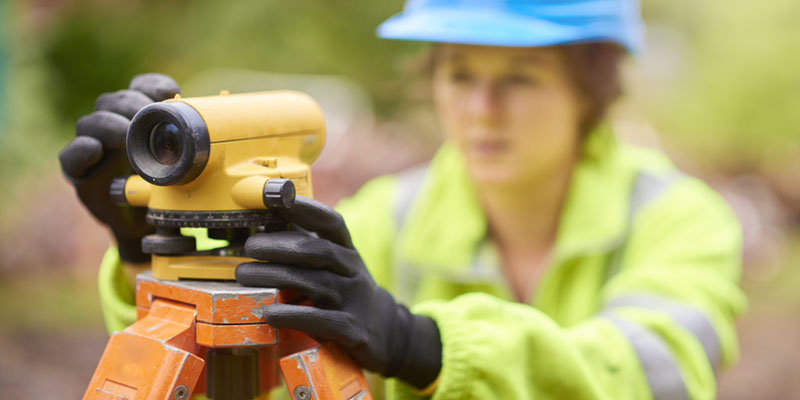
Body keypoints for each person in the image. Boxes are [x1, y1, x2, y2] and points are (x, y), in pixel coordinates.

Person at [59, 0, 746, 398]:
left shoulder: (678, 221)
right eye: (460, 73)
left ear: (589, 92)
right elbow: (246, 385)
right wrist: (142, 255)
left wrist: (423, 344)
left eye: (521, 77)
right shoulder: (385, 219)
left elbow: (659, 375)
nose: (483, 108)